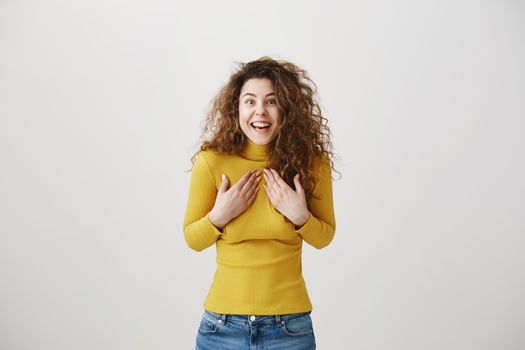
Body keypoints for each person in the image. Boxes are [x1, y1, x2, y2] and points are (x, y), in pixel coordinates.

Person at [183, 56, 338, 350]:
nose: (260, 112)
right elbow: (192, 238)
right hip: (222, 328)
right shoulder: (212, 162)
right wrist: (219, 216)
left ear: (287, 109)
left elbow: (325, 236)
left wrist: (300, 216)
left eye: (271, 101)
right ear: (236, 108)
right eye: (250, 101)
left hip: (289, 330)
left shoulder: (312, 164)